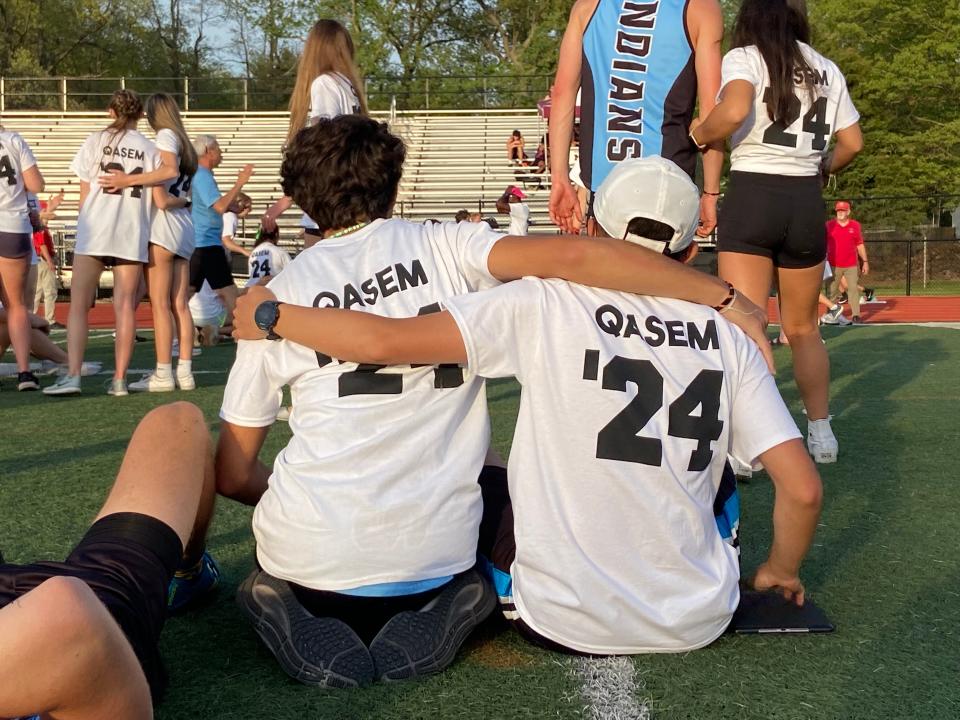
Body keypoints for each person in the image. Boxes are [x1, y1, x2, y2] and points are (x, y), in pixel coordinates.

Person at [199, 116, 770, 688]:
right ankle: (461, 599)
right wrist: (726, 296)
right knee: (494, 480)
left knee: (273, 560)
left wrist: (318, 509)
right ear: (392, 184)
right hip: (434, 557)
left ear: (299, 198)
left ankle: (278, 599)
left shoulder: (276, 301)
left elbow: (232, 473)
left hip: (308, 559)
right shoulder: (445, 242)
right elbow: (576, 260)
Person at [688, 0, 863, 463]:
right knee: (803, 329)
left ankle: (747, 447)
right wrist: (824, 167)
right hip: (805, 197)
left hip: (754, 193)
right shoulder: (826, 67)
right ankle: (821, 434)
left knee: (746, 324)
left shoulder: (744, 57)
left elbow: (732, 112)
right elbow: (853, 142)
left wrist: (700, 133)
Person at [0, 402, 217, 720]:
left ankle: (189, 572)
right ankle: (188, 576)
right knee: (176, 423)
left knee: (175, 421)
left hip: (94, 588)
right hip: (98, 608)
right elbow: (68, 622)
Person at [548, 0, 725, 237]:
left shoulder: (589, 6)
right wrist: (710, 193)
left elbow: (562, 94)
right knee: (662, 273)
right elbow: (712, 114)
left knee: (604, 271)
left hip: (607, 188)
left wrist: (560, 178)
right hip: (667, 190)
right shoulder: (701, 8)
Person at [44, 90, 159, 397]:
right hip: (131, 230)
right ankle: (120, 380)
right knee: (125, 306)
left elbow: (85, 195)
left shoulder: (94, 141)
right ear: (139, 115)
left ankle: (73, 375)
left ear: (111, 111)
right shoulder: (149, 148)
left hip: (96, 228)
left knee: (79, 306)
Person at [99, 93, 198, 394]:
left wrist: (128, 181)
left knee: (159, 305)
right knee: (180, 303)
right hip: (185, 229)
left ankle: (163, 373)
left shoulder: (166, 137)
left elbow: (161, 197)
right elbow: (178, 195)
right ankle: (185, 372)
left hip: (163, 230)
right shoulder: (187, 144)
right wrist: (185, 200)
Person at [261, 19, 366, 240]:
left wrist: (286, 200)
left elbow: (322, 145)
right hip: (351, 195)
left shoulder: (324, 83)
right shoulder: (349, 86)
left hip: (330, 200)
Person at [187, 134, 254, 324]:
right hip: (206, 243)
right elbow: (218, 207)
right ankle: (240, 332)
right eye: (217, 148)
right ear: (208, 151)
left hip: (203, 243)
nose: (221, 152)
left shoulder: (202, 175)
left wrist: (235, 207)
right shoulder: (202, 175)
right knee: (229, 292)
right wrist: (240, 182)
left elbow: (214, 205)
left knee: (189, 292)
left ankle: (175, 332)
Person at [0, 120, 45, 391]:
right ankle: (24, 373)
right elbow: (35, 184)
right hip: (11, 227)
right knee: (16, 305)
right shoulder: (14, 140)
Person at [826, 200, 869, 324]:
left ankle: (856, 315)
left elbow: (859, 244)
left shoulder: (855, 225)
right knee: (832, 291)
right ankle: (830, 314)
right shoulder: (829, 225)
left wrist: (865, 261)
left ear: (848, 212)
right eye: (838, 210)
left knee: (853, 290)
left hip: (851, 264)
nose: (840, 213)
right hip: (833, 264)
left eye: (843, 210)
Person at [32, 191, 64, 327]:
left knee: (37, 291)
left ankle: (32, 316)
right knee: (49, 291)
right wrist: (50, 261)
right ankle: (49, 319)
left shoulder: (38, 227)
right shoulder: (40, 229)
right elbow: (42, 244)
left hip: (38, 260)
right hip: (43, 261)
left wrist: (52, 205)